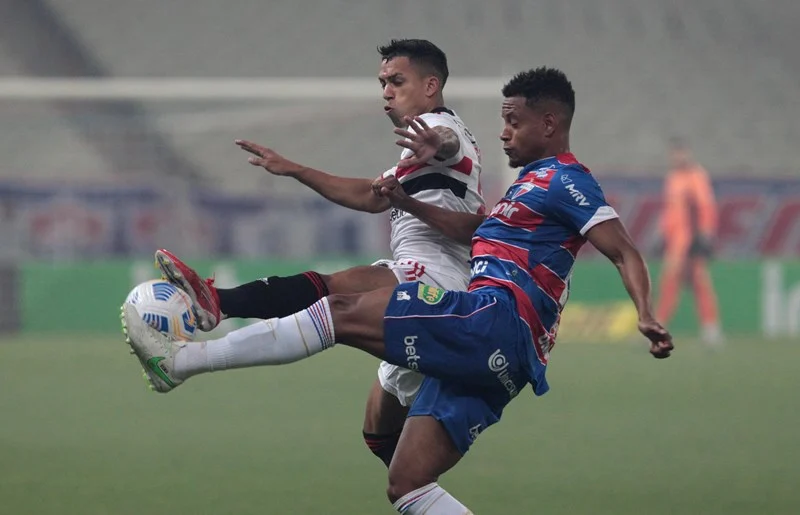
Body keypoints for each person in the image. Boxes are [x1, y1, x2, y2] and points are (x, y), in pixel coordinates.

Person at [122, 67, 673, 514]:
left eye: (513, 121)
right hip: (506, 356)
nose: (504, 132)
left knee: (338, 309)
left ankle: (186, 361)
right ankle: (213, 319)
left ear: (549, 124)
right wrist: (410, 204)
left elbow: (622, 247)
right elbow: (472, 230)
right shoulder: (526, 187)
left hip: (492, 320)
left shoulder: (565, 178)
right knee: (405, 480)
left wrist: (645, 312)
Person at [154, 38, 484, 468]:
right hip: (426, 277)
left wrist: (436, 144)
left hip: (439, 281)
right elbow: (370, 196)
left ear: (430, 85)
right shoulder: (412, 150)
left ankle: (216, 305)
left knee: (335, 292)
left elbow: (448, 144)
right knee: (382, 439)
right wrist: (295, 169)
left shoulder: (443, 128)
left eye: (397, 81)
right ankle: (421, 497)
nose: (386, 91)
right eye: (382, 82)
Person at [656, 137, 722, 344]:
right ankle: (658, 329)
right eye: (674, 153)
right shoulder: (673, 178)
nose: (677, 157)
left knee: (700, 282)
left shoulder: (696, 176)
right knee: (668, 284)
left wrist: (705, 235)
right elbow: (670, 212)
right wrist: (662, 234)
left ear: (688, 153)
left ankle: (711, 329)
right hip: (675, 243)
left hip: (691, 241)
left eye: (681, 152)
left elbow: (706, 208)